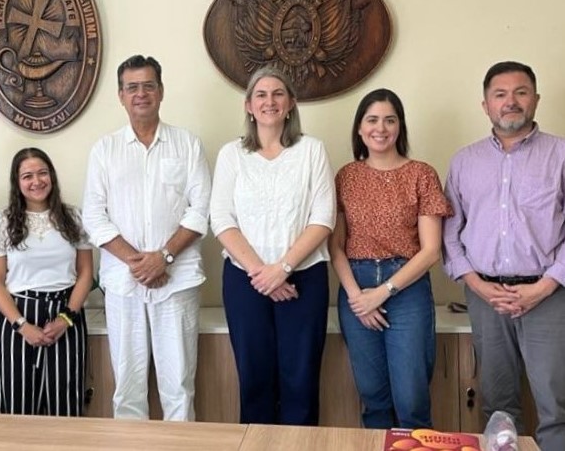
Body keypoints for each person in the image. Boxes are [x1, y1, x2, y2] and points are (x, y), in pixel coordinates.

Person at [443, 61, 565, 451]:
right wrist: (477, 284)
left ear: (535, 99)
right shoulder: (464, 161)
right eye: (500, 94)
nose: (510, 102)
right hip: (485, 299)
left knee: (555, 405)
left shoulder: (560, 155)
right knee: (498, 409)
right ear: (485, 105)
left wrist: (545, 287)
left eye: (520, 92)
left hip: (549, 295)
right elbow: (450, 232)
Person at [82, 54, 211, 421]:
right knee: (128, 390)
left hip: (177, 281)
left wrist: (164, 257)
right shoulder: (104, 150)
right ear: (121, 95)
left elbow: (200, 210)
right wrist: (139, 262)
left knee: (179, 390)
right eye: (132, 87)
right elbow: (94, 216)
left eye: (148, 85)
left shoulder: (187, 144)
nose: (141, 94)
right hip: (124, 284)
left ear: (161, 91)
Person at [209, 66, 335, 425]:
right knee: (255, 380)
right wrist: (262, 274)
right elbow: (221, 219)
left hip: (304, 279)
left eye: (278, 93)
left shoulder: (311, 150)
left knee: (300, 380)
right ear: (249, 105)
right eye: (261, 95)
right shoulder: (232, 154)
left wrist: (282, 269)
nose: (270, 101)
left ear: (291, 103)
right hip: (245, 281)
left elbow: (323, 218)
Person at [329, 89, 452, 429]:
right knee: (373, 394)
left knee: (411, 397)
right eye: (372, 119)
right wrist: (358, 298)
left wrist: (383, 293)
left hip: (406, 288)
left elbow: (430, 250)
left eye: (389, 120)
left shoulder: (421, 174)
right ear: (359, 128)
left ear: (400, 126)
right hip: (356, 285)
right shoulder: (346, 177)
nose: (380, 128)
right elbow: (336, 246)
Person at [0, 147, 93, 416]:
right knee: (17, 403)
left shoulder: (74, 217)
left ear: (52, 177)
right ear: (17, 182)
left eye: (42, 173)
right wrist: (22, 326)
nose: (36, 181)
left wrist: (65, 319)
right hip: (17, 316)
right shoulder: (2, 221)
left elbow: (86, 273)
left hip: (66, 314)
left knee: (66, 402)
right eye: (27, 176)